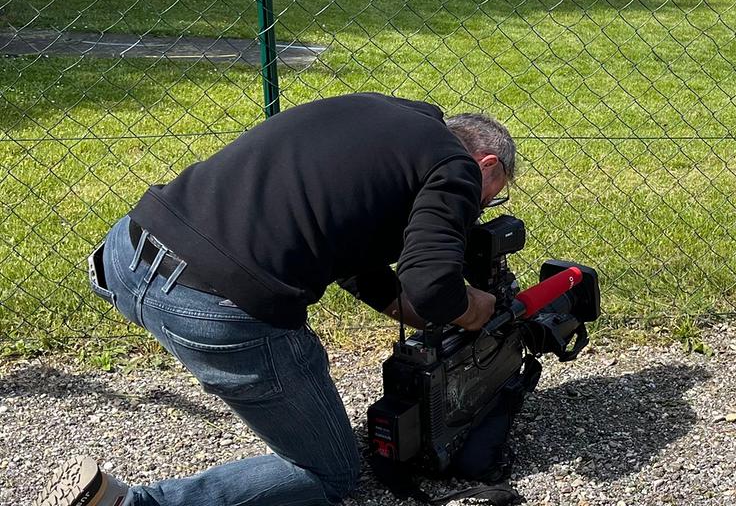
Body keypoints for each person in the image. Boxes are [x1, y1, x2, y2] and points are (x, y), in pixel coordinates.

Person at [38, 95, 513, 506]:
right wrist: (473, 309)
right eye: (488, 200)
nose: (477, 210)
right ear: (485, 165)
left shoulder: (380, 114)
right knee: (330, 473)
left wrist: (404, 305)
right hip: (211, 304)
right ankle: (133, 503)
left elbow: (340, 228)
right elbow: (432, 287)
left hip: (126, 255)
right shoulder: (455, 166)